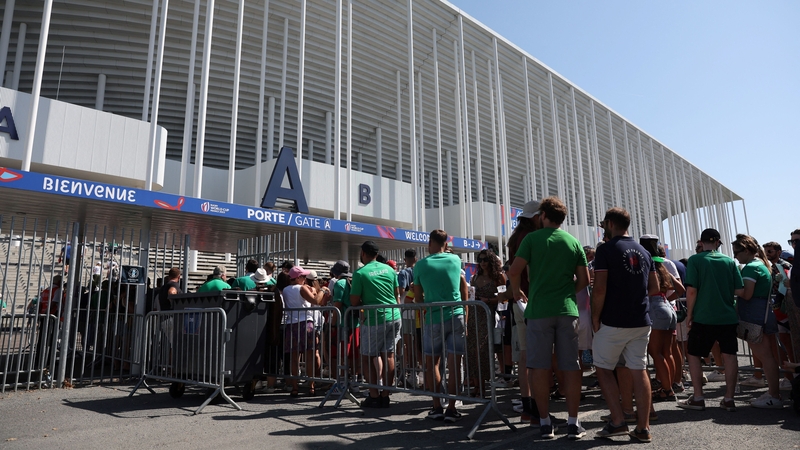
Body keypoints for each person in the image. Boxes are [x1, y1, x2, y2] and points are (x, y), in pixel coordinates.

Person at [508, 196, 590, 440]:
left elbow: (514, 270)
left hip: (539, 311)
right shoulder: (573, 242)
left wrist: (516, 291)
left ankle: (544, 422)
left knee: (539, 368)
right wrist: (566, 292)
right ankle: (573, 423)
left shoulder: (532, 239)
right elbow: (584, 281)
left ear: (543, 215)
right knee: (571, 368)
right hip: (567, 310)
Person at [590, 208, 658, 442]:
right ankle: (643, 427)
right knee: (639, 369)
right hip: (640, 319)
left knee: (603, 367)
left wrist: (595, 317)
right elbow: (654, 287)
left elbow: (599, 289)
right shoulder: (644, 251)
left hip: (614, 319)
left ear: (609, 223)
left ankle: (618, 420)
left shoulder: (606, 249)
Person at [678, 228, 744, 412]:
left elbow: (691, 290)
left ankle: (698, 397)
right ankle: (729, 398)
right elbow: (739, 291)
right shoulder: (729, 261)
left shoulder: (695, 260)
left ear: (701, 242)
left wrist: (689, 314)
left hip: (704, 316)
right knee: (730, 355)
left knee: (694, 354)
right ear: (718, 242)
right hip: (727, 316)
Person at [414, 229, 468, 423]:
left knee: (432, 364)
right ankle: (452, 408)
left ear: (430, 243)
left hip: (433, 318)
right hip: (456, 315)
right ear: (446, 243)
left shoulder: (420, 265)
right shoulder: (455, 261)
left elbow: (418, 298)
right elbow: (462, 288)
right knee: (455, 365)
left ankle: (436, 406)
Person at [731, 234, 783, 408]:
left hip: (754, 316)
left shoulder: (751, 268)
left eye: (736, 252)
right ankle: (773, 393)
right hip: (763, 313)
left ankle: (774, 395)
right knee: (768, 356)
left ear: (746, 250)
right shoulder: (761, 264)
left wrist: (731, 285)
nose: (735, 256)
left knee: (766, 356)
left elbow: (746, 294)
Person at [350, 240, 401, 408]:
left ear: (363, 253)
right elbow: (396, 294)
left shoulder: (360, 273)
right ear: (377, 254)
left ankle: (373, 395)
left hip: (374, 319)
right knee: (389, 355)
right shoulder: (390, 270)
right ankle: (385, 394)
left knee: (368, 356)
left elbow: (354, 301)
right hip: (394, 315)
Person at [506, 199, 543, 423]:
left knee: (524, 357)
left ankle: (528, 409)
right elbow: (523, 270)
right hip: (530, 301)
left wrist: (515, 292)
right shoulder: (529, 238)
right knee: (535, 359)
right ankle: (537, 410)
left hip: (519, 302)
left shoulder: (515, 237)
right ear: (536, 217)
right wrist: (520, 290)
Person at [639, 236, 685, 402]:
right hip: (667, 307)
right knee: (667, 352)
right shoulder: (662, 266)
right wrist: (667, 298)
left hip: (654, 309)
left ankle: (667, 389)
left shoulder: (646, 266)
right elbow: (680, 288)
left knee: (656, 353)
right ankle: (670, 386)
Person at [282, 265, 328, 396]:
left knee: (294, 357)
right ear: (298, 278)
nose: (304, 279)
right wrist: (322, 290)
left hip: (291, 323)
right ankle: (311, 385)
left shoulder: (285, 290)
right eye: (303, 276)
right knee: (310, 355)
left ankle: (295, 387)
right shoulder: (302, 288)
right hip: (307, 323)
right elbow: (316, 300)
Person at [466, 249, 506, 398]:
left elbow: (504, 298)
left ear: (491, 261)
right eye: (480, 260)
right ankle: (475, 386)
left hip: (488, 315)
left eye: (485, 260)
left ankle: (483, 387)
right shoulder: (475, 277)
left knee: (483, 351)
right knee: (471, 350)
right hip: (473, 315)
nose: (482, 262)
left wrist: (487, 301)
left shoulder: (498, 277)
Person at [397, 249, 422, 387]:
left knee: (408, 344)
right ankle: (418, 373)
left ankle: (413, 374)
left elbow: (400, 291)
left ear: (405, 259)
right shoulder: (419, 271)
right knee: (418, 343)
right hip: (418, 311)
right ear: (416, 258)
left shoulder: (404, 273)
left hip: (406, 312)